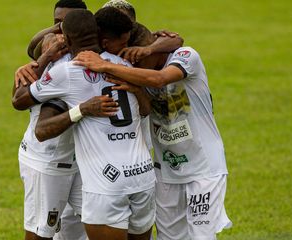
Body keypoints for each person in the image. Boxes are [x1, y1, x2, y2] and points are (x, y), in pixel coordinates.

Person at [73, 28, 232, 240]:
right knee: (168, 237)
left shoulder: (186, 56)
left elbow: (160, 79)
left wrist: (105, 65)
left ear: (146, 51)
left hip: (203, 168)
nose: (131, 67)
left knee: (201, 236)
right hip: (166, 171)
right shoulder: (139, 75)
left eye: (134, 60)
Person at [13, 9, 156, 240]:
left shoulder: (66, 72)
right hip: (143, 175)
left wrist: (40, 62)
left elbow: (20, 102)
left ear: (67, 39)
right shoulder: (125, 66)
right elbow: (146, 109)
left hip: (106, 182)